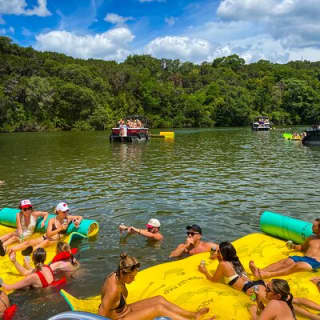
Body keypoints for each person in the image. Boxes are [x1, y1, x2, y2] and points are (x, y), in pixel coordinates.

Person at [98, 253, 212, 320]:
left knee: (159, 299)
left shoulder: (118, 275)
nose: (134, 279)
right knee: (158, 309)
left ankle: (193, 314)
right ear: (123, 273)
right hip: (120, 318)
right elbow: (101, 314)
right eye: (131, 277)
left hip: (125, 311)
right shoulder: (113, 289)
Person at [249, 219, 320, 279]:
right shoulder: (311, 238)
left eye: (314, 226)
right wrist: (293, 246)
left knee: (299, 265)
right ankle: (259, 271)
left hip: (315, 263)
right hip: (305, 258)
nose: (312, 227)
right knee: (287, 261)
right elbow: (302, 247)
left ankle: (268, 274)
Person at [10, 202, 82, 253]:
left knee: (43, 243)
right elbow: (48, 234)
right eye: (64, 211)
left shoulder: (68, 218)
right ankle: (10, 250)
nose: (66, 213)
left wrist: (78, 221)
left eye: (67, 210)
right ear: (58, 211)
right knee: (29, 242)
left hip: (54, 240)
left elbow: (80, 217)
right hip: (46, 237)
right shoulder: (52, 220)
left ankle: (27, 255)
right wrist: (60, 229)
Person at [198, 241, 265, 297]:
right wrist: (217, 256)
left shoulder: (222, 265)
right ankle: (255, 272)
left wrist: (204, 271)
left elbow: (213, 280)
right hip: (257, 284)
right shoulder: (236, 261)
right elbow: (225, 265)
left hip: (251, 289)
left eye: (218, 251)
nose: (217, 253)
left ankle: (256, 272)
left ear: (223, 254)